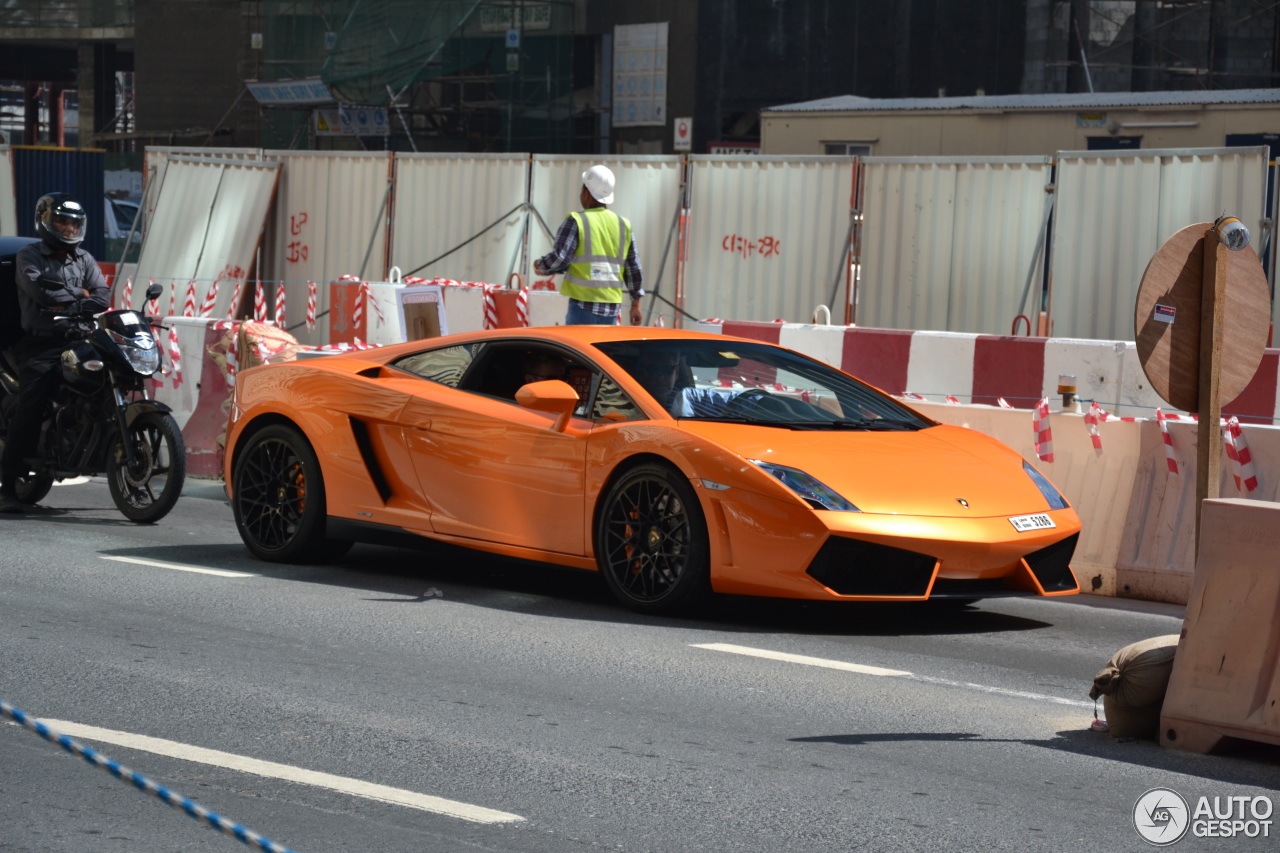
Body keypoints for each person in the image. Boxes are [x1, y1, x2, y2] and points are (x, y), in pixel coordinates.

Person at [0, 193, 110, 514]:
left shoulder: (85, 259)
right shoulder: (28, 256)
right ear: (46, 222)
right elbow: (41, 293)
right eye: (62, 221)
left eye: (74, 223)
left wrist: (74, 298)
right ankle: (8, 483)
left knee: (107, 375)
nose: (69, 228)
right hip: (39, 342)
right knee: (31, 405)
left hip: (78, 338)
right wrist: (81, 294)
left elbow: (102, 296)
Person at [533, 165, 644, 326]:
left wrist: (540, 266)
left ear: (586, 193)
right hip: (612, 310)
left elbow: (561, 258)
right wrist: (635, 305)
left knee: (578, 351)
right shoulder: (623, 225)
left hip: (582, 308)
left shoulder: (577, 221)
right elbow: (633, 268)